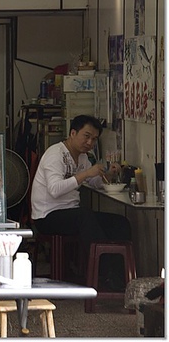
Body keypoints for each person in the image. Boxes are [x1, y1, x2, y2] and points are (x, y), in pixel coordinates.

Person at [31, 114, 131, 288]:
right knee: (85, 216)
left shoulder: (83, 158)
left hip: (71, 213)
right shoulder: (55, 155)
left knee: (120, 223)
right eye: (86, 136)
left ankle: (118, 277)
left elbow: (93, 182)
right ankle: (101, 273)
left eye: (94, 139)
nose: (90, 143)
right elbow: (54, 190)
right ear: (72, 133)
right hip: (47, 216)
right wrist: (85, 174)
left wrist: (107, 175)